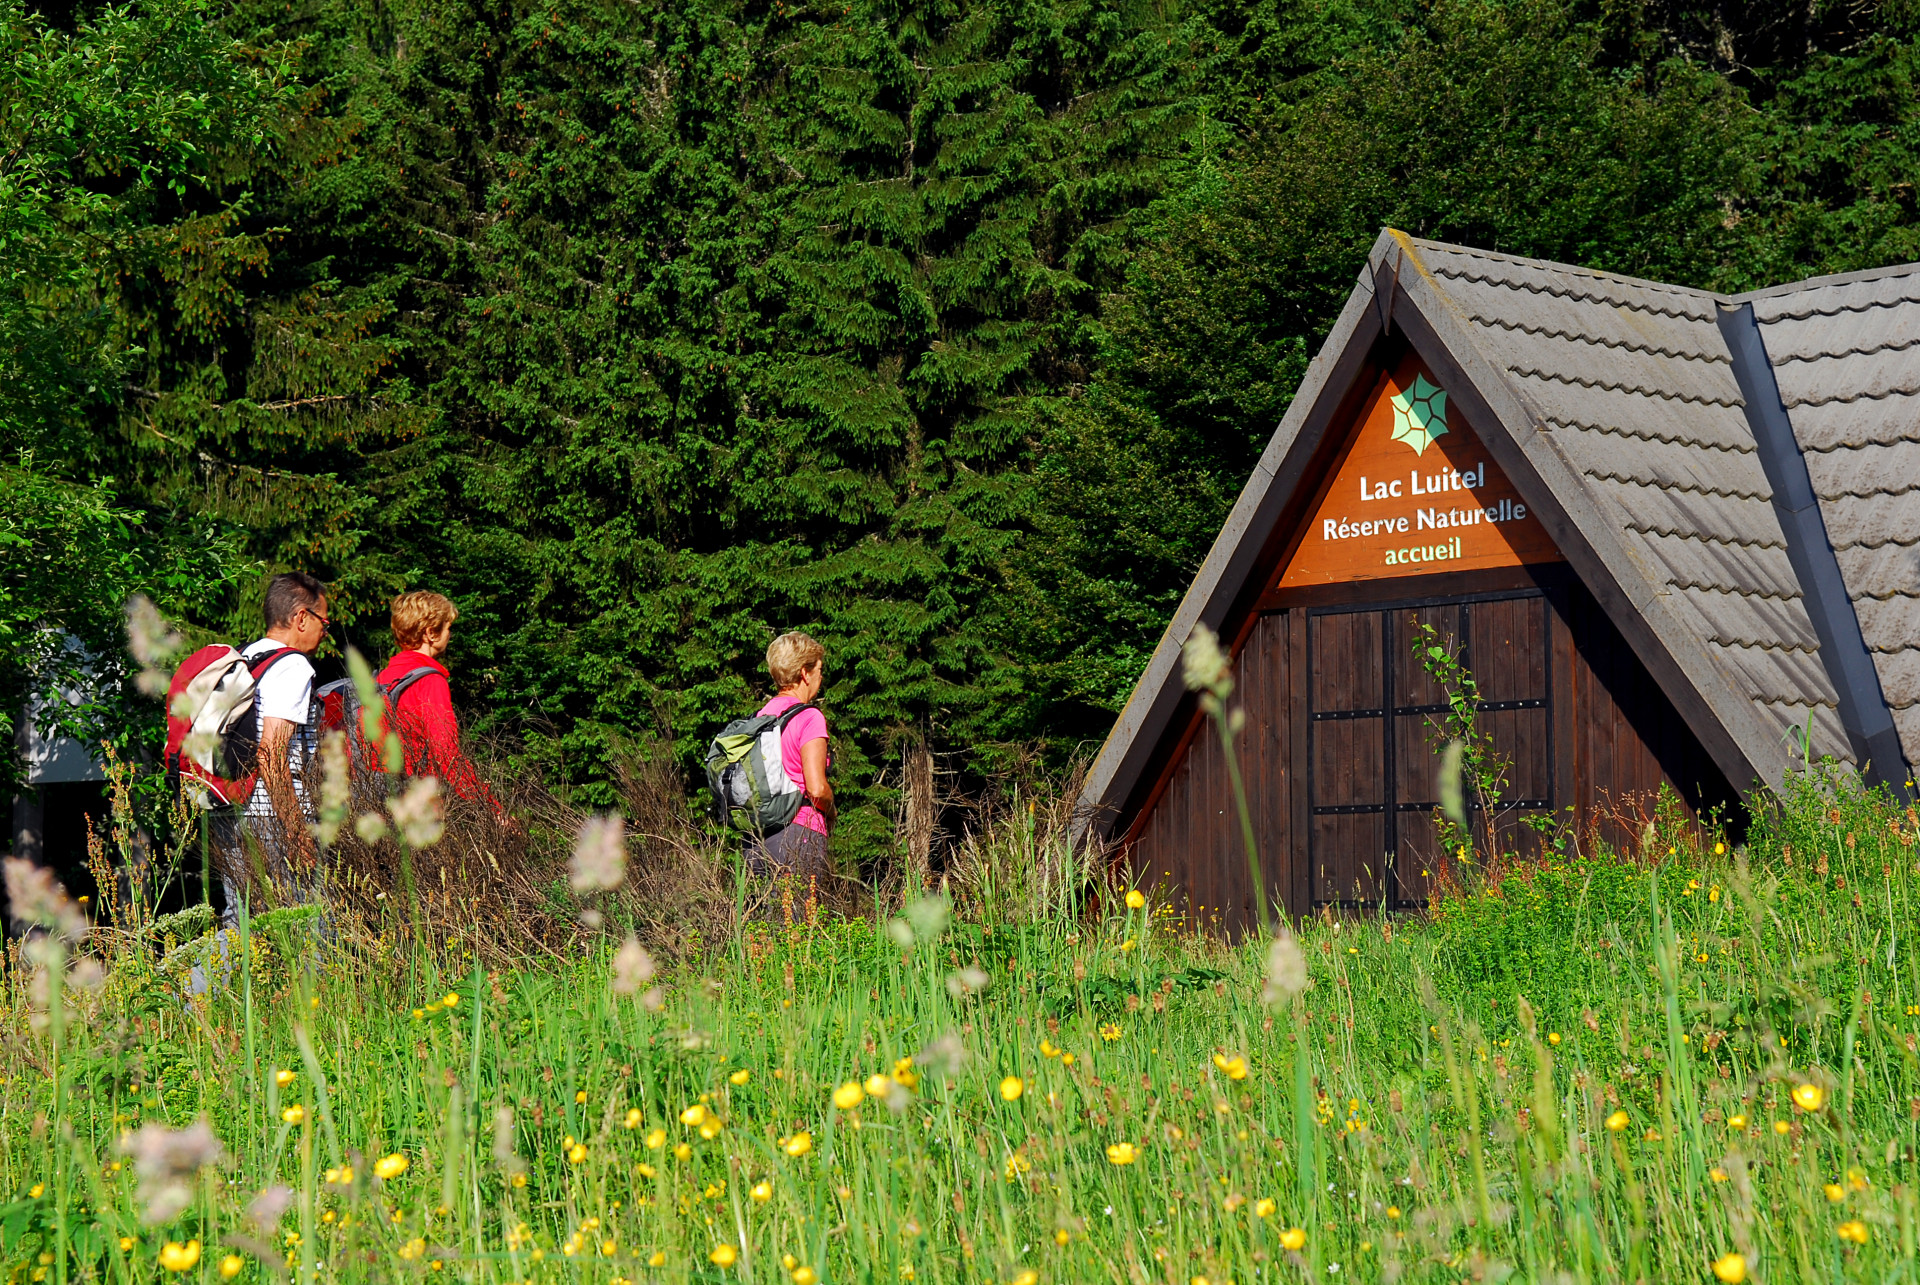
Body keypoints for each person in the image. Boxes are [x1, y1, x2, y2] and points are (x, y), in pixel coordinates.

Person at [235, 571, 328, 897]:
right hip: (272, 820)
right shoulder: (291, 666)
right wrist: (297, 834)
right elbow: (271, 754)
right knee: (307, 928)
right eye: (323, 623)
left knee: (243, 926)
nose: (323, 632)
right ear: (301, 618)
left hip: (235, 812)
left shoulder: (246, 657)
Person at [376, 590, 500, 812]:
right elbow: (447, 754)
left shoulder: (384, 677)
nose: (449, 635)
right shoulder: (430, 680)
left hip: (380, 800)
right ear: (430, 633)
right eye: (447, 628)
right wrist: (491, 807)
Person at [747, 632, 834, 881]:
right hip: (799, 836)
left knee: (763, 919)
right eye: (819, 668)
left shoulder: (759, 718)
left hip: (757, 839)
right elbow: (816, 789)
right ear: (805, 674)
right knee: (798, 917)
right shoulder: (809, 717)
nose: (821, 676)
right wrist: (832, 810)